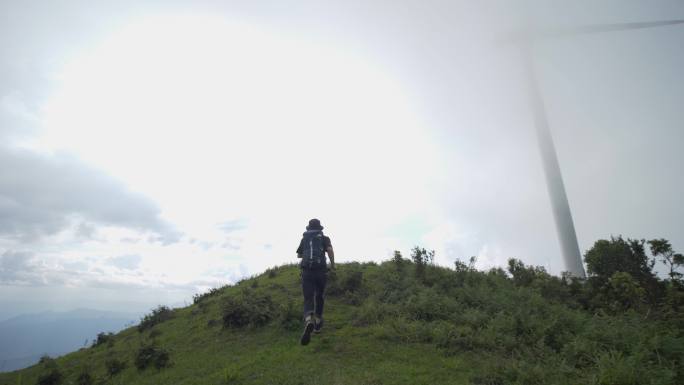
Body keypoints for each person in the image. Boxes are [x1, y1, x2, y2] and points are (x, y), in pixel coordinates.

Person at [296, 218, 335, 345]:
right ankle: (318, 323)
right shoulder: (324, 238)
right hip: (320, 271)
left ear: (309, 228)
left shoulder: (305, 238)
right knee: (319, 296)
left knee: (308, 298)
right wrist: (332, 265)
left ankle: (309, 320)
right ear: (320, 228)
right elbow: (329, 250)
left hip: (307, 271)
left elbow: (299, 255)